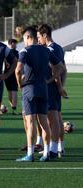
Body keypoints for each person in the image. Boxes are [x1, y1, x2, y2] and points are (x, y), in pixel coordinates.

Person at [15, 26, 65, 162]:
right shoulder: (46, 50)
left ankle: (30, 154)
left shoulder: (25, 51)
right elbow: (60, 66)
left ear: (28, 37)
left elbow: (18, 70)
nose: (23, 41)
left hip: (29, 89)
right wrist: (49, 79)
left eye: (24, 38)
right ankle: (46, 153)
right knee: (44, 122)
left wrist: (20, 84)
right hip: (44, 89)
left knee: (30, 121)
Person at [37, 24, 67, 158]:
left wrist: (57, 84)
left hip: (51, 88)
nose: (38, 40)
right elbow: (64, 68)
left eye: (39, 37)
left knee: (52, 119)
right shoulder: (59, 47)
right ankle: (59, 147)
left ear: (45, 35)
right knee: (57, 118)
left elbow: (56, 69)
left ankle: (53, 149)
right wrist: (61, 86)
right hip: (56, 87)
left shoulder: (49, 49)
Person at [5, 38, 19, 115]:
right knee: (10, 92)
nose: (15, 45)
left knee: (14, 91)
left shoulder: (16, 52)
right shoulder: (8, 52)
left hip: (12, 75)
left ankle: (14, 108)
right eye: (14, 43)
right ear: (10, 44)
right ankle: (13, 107)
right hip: (8, 74)